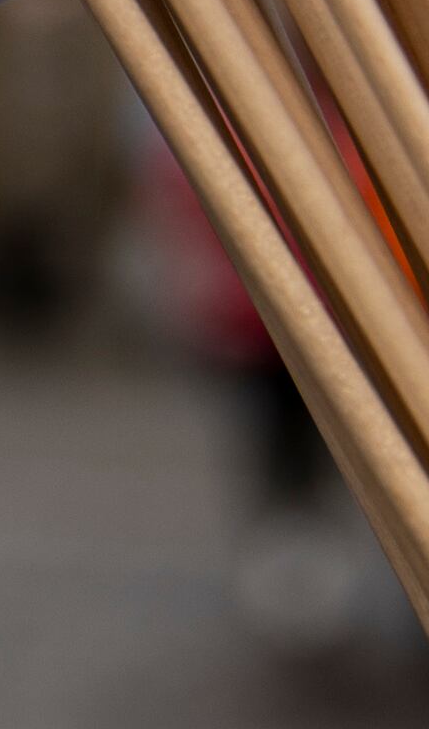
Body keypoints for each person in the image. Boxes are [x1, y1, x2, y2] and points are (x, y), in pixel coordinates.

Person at [134, 107, 361, 653]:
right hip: (261, 332)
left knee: (296, 453)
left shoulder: (320, 130)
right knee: (280, 451)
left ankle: (302, 567)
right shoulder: (227, 131)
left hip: (296, 332)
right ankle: (295, 574)